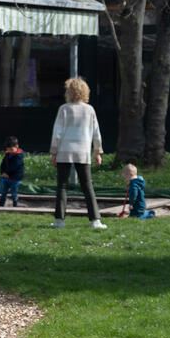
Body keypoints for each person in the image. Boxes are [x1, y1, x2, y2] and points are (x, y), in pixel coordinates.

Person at [50, 77, 105, 230]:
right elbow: (96, 132)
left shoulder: (64, 109)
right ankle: (95, 220)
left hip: (64, 151)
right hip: (83, 151)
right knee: (87, 186)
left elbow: (57, 132)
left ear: (69, 92)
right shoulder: (90, 110)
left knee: (62, 186)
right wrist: (97, 151)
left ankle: (59, 220)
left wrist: (54, 152)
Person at [0, 136, 25, 207]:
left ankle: (15, 205)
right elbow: (3, 164)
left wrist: (7, 173)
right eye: (8, 150)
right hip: (6, 178)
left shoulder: (19, 156)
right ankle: (1, 205)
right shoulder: (7, 155)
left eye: (11, 149)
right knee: (3, 192)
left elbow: (14, 166)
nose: (10, 151)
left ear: (17, 146)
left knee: (14, 193)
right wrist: (2, 172)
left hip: (15, 178)